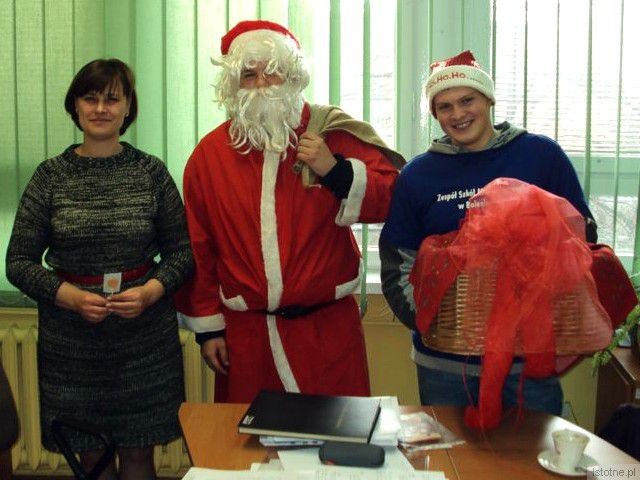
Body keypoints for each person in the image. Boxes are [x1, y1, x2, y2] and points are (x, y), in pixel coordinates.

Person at [175, 20, 403, 403]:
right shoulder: (209, 156)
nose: (263, 83)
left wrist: (336, 171)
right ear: (233, 85)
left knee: (335, 436)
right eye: (249, 75)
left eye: (273, 71)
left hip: (327, 335)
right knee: (247, 438)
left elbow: (394, 197)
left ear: (293, 75)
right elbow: (199, 246)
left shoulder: (331, 133)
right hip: (248, 341)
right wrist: (209, 328)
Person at [380, 50, 597, 416]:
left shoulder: (541, 156)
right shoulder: (417, 175)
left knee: (533, 450)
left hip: (528, 362)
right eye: (445, 106)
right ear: (435, 115)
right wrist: (426, 318)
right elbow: (397, 261)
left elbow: (582, 237)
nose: (458, 114)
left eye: (468, 100)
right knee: (450, 450)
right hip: (444, 364)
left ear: (489, 100)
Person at [6, 59, 193, 480]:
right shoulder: (50, 177)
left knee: (140, 456)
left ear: (128, 108)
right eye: (90, 98)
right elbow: (17, 262)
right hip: (72, 346)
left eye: (112, 99)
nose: (101, 108)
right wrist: (68, 297)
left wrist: (151, 291)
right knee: (92, 459)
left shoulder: (151, 172)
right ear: (75, 106)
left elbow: (182, 253)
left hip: (144, 341)